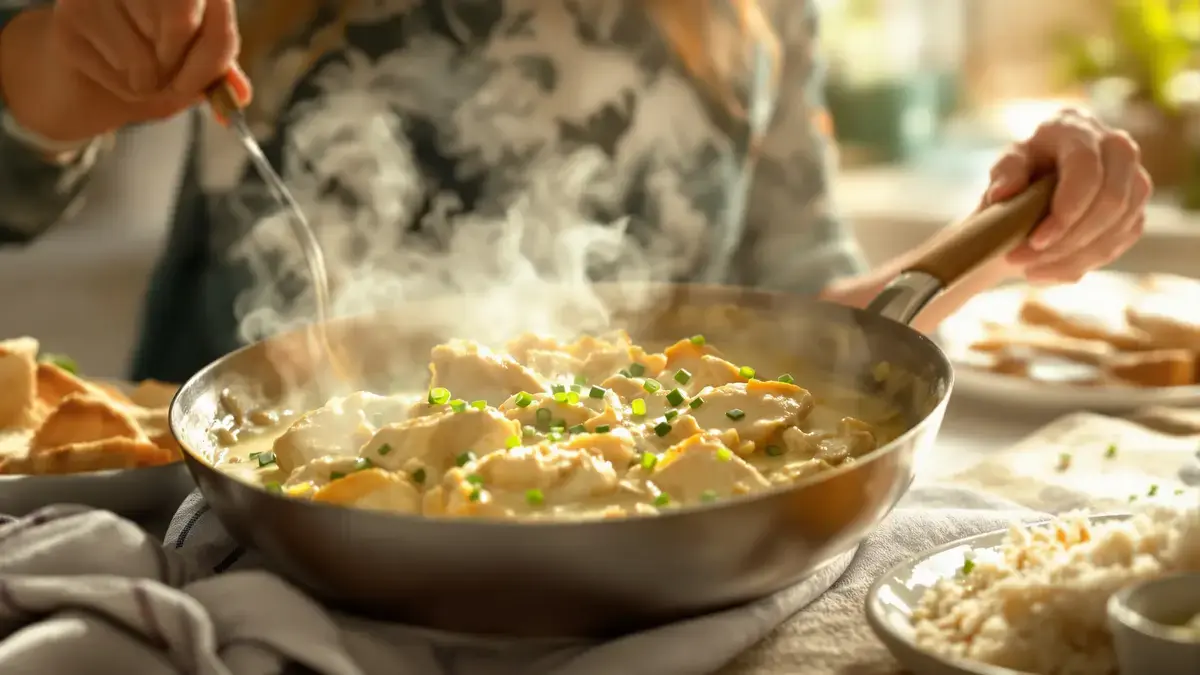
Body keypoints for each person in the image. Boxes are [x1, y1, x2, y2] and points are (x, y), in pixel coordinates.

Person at [0, 0, 1152, 384]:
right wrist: (67, 58)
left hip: (650, 567)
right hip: (226, 527)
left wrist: (1000, 231)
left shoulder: (762, 14)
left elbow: (805, 326)